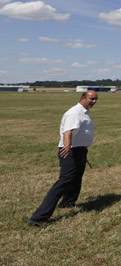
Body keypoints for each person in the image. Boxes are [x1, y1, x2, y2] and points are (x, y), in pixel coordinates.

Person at [28, 90, 99, 227]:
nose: (94, 101)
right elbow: (68, 131)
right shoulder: (74, 113)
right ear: (83, 98)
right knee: (64, 181)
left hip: (79, 150)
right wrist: (67, 147)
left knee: (76, 177)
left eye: (96, 99)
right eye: (91, 99)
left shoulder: (84, 111)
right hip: (70, 151)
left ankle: (68, 202)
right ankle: (38, 217)